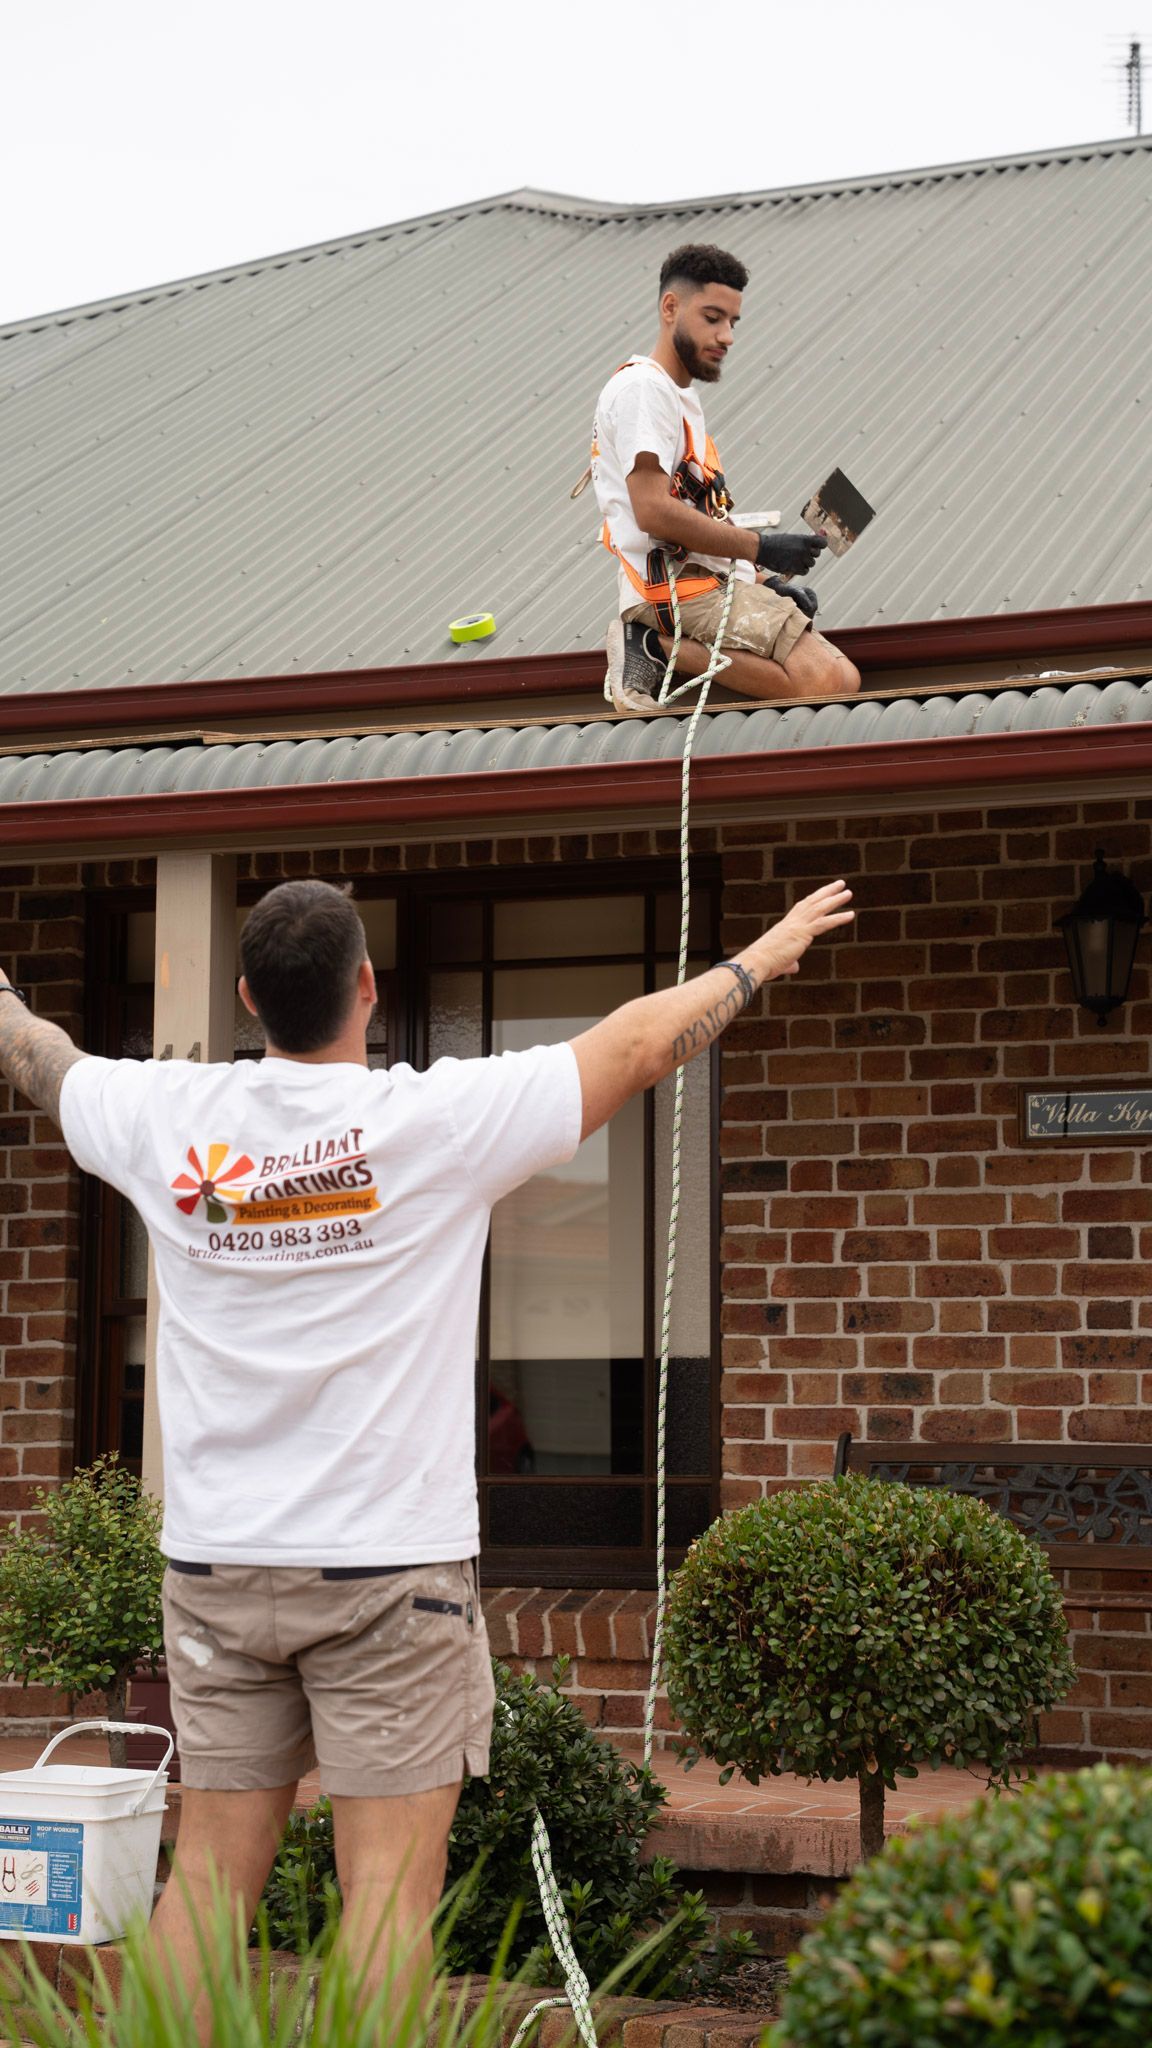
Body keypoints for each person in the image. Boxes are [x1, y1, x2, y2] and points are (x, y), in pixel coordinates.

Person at [0, 872, 853, 2035]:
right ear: (366, 986)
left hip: (218, 1570)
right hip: (388, 1575)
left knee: (204, 1878)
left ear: (249, 995)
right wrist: (759, 958)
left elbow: (43, 1061)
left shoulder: (166, 1116)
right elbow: (642, 1042)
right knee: (390, 1902)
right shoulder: (435, 1119)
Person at [593, 243, 862, 715]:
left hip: (712, 581)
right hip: (672, 589)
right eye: (713, 317)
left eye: (733, 322)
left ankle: (661, 641)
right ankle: (648, 643)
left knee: (845, 679)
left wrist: (762, 576)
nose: (727, 336)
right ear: (670, 307)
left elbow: (697, 513)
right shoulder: (644, 389)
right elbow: (652, 509)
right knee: (820, 682)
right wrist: (760, 547)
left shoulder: (679, 399)